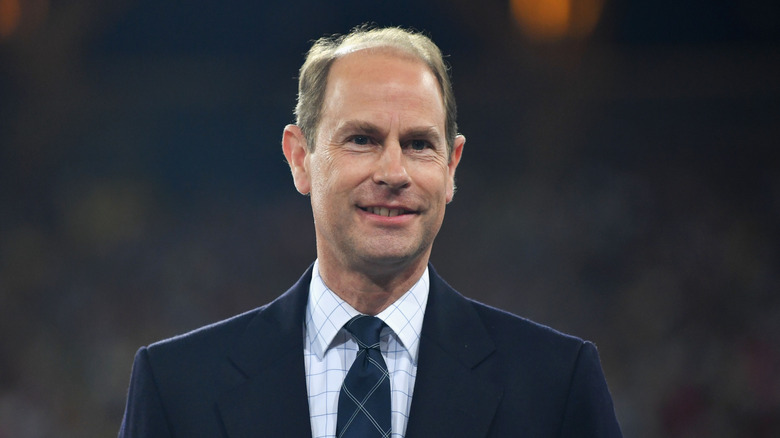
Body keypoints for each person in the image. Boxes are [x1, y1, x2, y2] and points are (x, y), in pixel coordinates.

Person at [118, 25, 623, 438]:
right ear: (300, 159)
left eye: (420, 144)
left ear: (452, 167)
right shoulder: (177, 387)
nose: (394, 172)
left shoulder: (555, 384)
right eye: (362, 139)